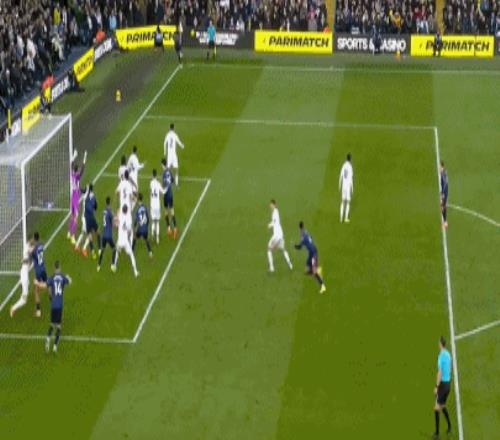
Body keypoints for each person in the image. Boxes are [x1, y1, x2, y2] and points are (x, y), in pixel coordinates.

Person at [34, 261, 72, 353]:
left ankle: (48, 338)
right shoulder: (63, 277)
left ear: (54, 268)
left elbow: (43, 286)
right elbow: (70, 281)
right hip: (59, 306)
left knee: (52, 324)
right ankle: (55, 346)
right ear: (60, 268)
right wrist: (68, 277)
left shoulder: (51, 278)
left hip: (53, 305)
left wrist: (37, 283)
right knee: (58, 326)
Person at [294, 222, 326, 294]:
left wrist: (295, 246)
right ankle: (314, 270)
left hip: (314, 254)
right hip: (311, 253)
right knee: (307, 270)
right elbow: (310, 238)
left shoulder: (303, 237)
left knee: (314, 272)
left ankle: (322, 286)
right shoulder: (306, 232)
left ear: (299, 228)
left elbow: (299, 247)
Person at [112, 204, 139, 277]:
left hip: (120, 240)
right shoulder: (128, 219)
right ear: (127, 211)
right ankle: (135, 271)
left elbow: (114, 225)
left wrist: (115, 219)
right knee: (131, 255)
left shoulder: (120, 217)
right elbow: (129, 231)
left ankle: (114, 265)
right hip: (125, 241)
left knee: (117, 252)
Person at [433, 336, 452, 437]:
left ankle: (437, 433)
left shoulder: (440, 356)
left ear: (440, 344)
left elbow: (440, 372)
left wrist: (436, 387)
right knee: (442, 405)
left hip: (443, 385)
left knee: (436, 408)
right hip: (448, 384)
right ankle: (449, 426)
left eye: (438, 343)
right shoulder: (448, 354)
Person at [10, 239, 34, 317]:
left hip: (23, 273)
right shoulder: (27, 249)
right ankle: (13, 308)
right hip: (24, 276)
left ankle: (22, 286)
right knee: (24, 300)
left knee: (27, 284)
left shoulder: (27, 248)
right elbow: (26, 260)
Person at [267, 199, 293, 272]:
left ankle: (272, 268)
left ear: (274, 205)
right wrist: (270, 224)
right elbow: (275, 221)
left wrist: (270, 225)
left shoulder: (275, 212)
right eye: (270, 205)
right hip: (280, 234)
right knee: (283, 249)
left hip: (277, 235)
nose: (270, 206)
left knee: (269, 249)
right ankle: (290, 264)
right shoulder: (276, 212)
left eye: (272, 205)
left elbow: (274, 222)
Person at [67, 150, 87, 245]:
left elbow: (71, 164)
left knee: (72, 216)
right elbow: (83, 169)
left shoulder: (72, 174)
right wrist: (85, 157)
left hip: (72, 196)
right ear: (77, 170)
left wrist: (74, 156)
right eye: (78, 169)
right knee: (76, 217)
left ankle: (69, 232)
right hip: (75, 197)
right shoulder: (77, 176)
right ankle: (72, 236)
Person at [76, 184, 100, 259]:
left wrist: (78, 187)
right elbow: (95, 205)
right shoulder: (90, 195)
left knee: (83, 232)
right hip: (86, 218)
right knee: (89, 234)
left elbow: (83, 190)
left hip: (83, 217)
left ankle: (77, 245)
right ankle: (84, 249)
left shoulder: (85, 195)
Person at [97, 197, 117, 272]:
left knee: (103, 249)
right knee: (114, 249)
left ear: (106, 202)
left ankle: (98, 265)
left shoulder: (104, 211)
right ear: (110, 202)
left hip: (104, 235)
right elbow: (113, 224)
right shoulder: (110, 212)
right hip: (109, 235)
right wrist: (115, 222)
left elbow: (107, 219)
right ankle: (112, 265)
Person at [31, 232, 47, 316]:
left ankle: (38, 311)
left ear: (34, 238)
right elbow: (40, 244)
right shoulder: (41, 245)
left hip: (38, 271)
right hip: (43, 268)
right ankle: (52, 299)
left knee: (36, 290)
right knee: (47, 285)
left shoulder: (33, 250)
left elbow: (30, 256)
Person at [162, 158, 178, 240]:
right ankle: (175, 228)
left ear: (162, 165)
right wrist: (174, 185)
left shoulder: (164, 173)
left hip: (166, 195)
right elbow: (172, 180)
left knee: (166, 212)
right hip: (170, 194)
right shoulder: (169, 171)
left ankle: (168, 228)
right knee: (172, 211)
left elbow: (164, 185)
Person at [150, 169, 166, 244]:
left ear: (152, 175)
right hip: (157, 205)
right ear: (156, 175)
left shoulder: (151, 183)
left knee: (153, 221)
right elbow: (163, 192)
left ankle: (152, 235)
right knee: (157, 222)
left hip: (152, 204)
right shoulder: (158, 184)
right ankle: (157, 238)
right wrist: (167, 188)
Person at [339, 153, 354, 223]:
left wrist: (339, 185)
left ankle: (340, 218)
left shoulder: (343, 165)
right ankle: (345, 218)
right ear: (350, 159)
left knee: (342, 202)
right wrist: (352, 187)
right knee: (347, 202)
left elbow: (341, 176)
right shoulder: (350, 167)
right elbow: (351, 178)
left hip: (343, 186)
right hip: (347, 186)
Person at [440, 161, 448, 228]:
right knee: (442, 206)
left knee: (443, 207)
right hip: (444, 192)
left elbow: (445, 184)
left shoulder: (443, 174)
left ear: (442, 166)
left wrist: (443, 193)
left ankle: (445, 222)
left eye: (440, 167)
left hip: (445, 193)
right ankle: (444, 221)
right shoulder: (444, 172)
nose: (439, 168)